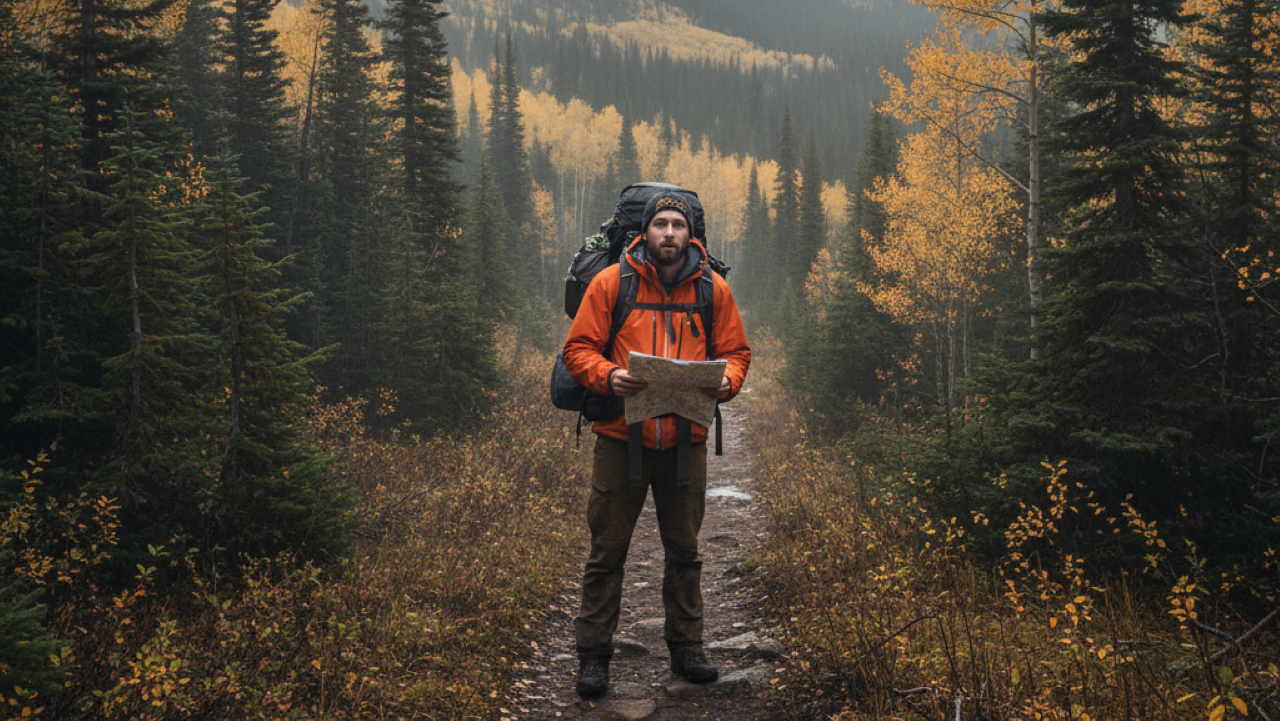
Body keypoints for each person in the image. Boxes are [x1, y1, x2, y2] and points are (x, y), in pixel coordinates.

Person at [560, 191, 751, 698]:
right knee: (607, 552)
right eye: (660, 224)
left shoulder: (713, 290)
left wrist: (726, 383)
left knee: (685, 551)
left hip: (686, 440)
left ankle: (688, 650)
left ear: (692, 235)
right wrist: (608, 377)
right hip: (621, 439)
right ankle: (594, 659)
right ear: (644, 232)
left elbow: (736, 353)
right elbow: (577, 349)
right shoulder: (610, 283)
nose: (669, 233)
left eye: (678, 225)